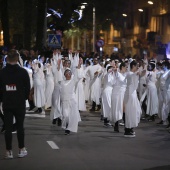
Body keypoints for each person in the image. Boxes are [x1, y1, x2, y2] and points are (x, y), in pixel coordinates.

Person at [0, 49, 30, 159]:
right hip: (19, 103)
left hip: (7, 102)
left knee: (8, 128)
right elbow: (27, 87)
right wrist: (24, 98)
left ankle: (8, 151)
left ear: (7, 59)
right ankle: (21, 149)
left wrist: (2, 99)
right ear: (17, 59)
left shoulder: (2, 72)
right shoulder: (23, 72)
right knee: (20, 126)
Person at [124, 60, 142, 137]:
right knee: (130, 112)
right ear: (133, 66)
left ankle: (130, 128)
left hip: (132, 94)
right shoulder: (130, 74)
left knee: (133, 111)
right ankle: (127, 129)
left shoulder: (131, 74)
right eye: (136, 66)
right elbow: (132, 79)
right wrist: (136, 75)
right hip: (130, 95)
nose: (137, 68)